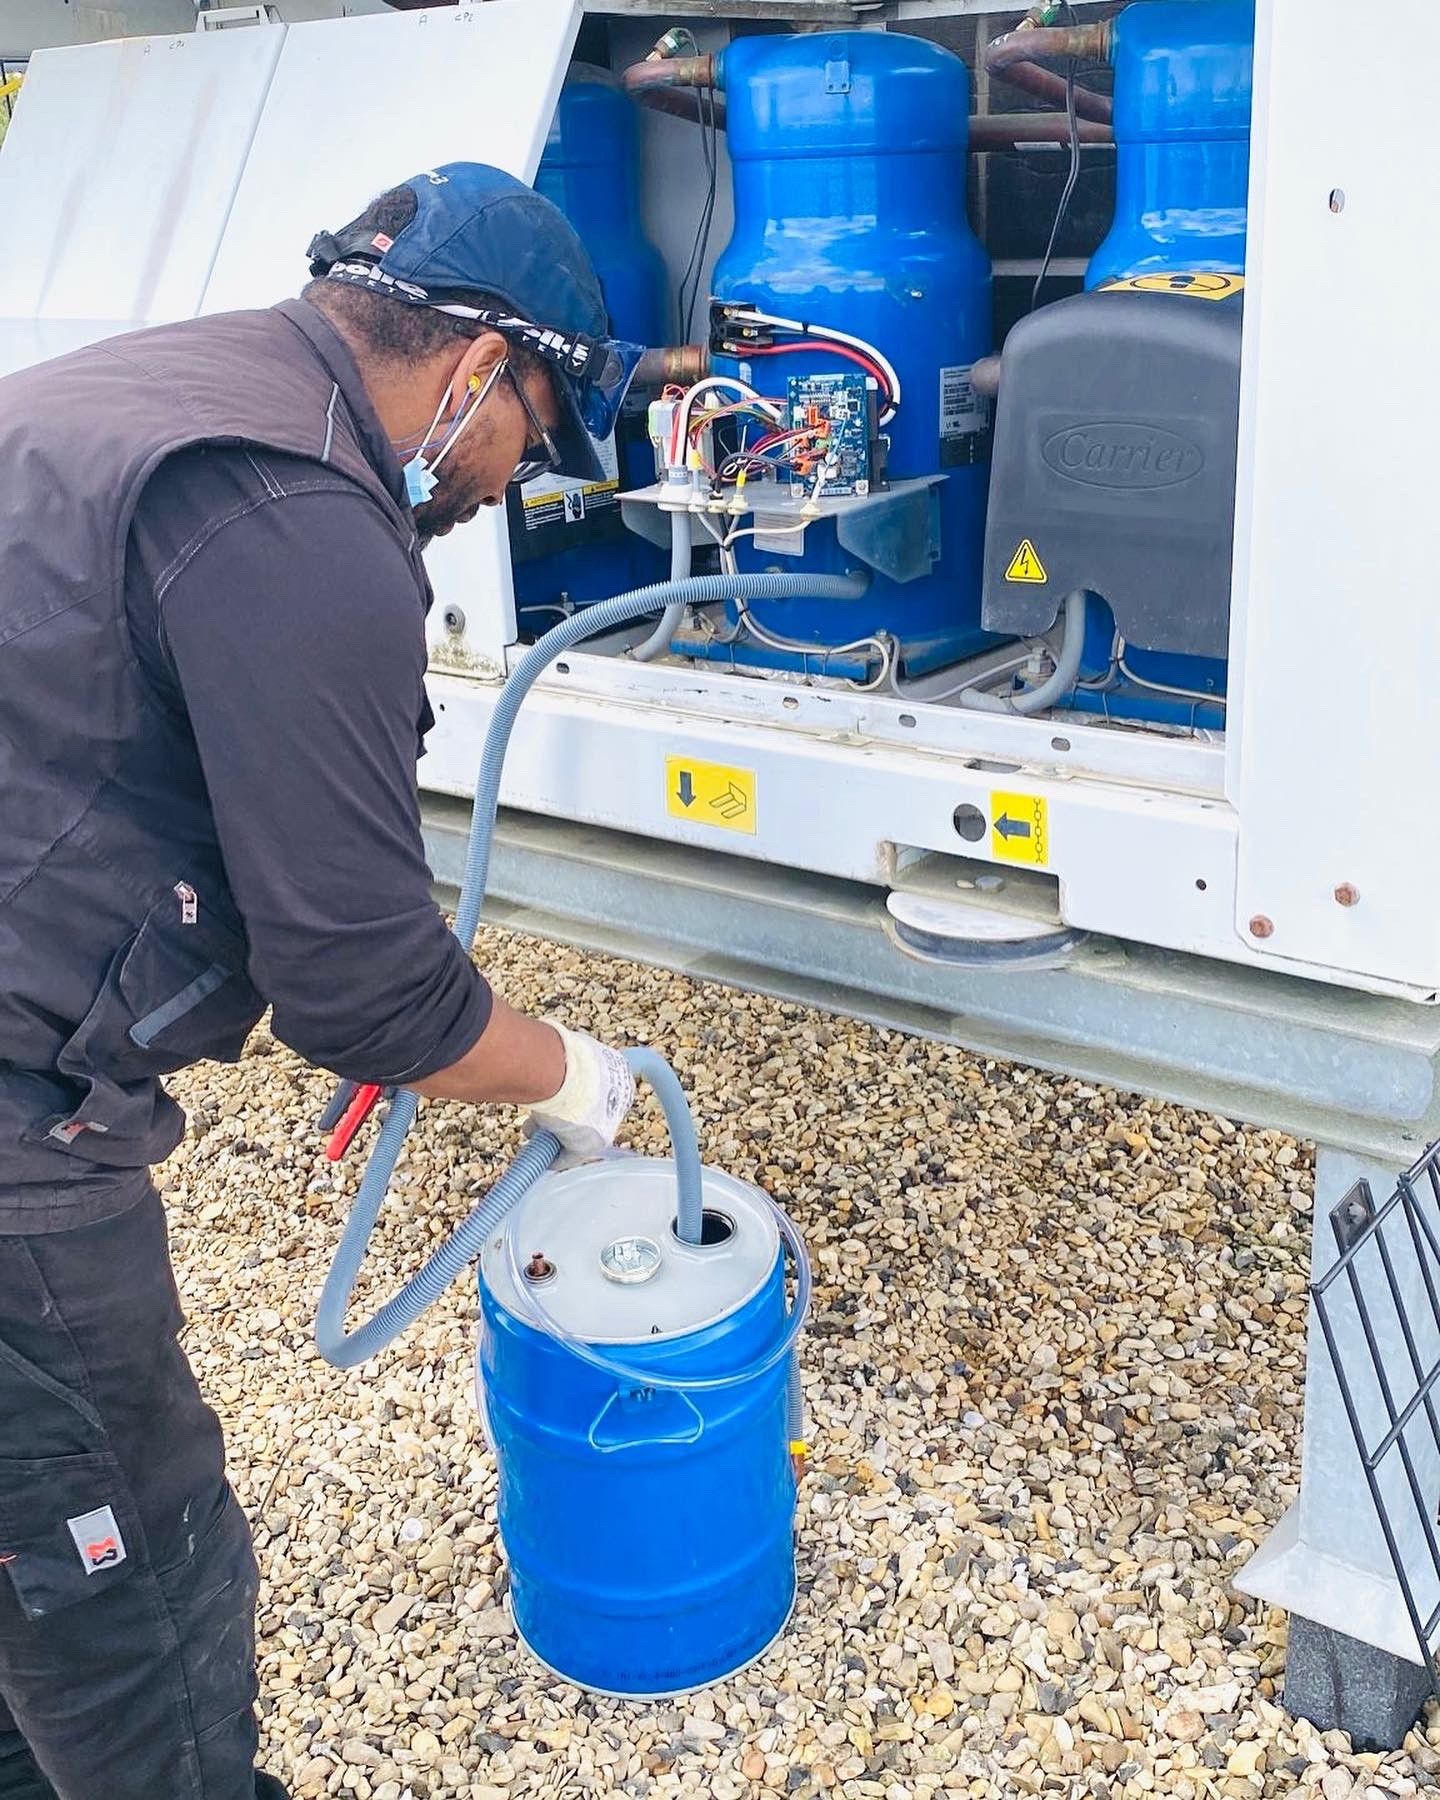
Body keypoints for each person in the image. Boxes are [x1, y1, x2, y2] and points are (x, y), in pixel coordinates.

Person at [0, 162, 644, 1799]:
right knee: (131, 1575)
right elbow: (369, 995)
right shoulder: (299, 518)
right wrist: (571, 1075)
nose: (516, 481)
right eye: (534, 433)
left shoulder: (140, 389)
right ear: (476, 370)